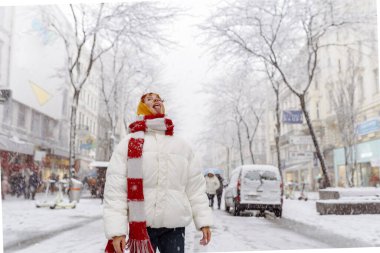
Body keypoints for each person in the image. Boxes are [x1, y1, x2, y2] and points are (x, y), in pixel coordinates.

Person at [103, 92, 213, 253]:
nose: (156, 100)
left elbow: (195, 188)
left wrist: (203, 221)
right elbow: (115, 191)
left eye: (158, 99)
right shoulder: (127, 145)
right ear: (142, 107)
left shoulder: (182, 146)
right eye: (149, 99)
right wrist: (117, 231)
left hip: (174, 228)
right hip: (142, 229)